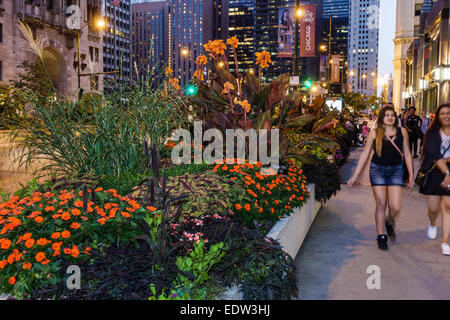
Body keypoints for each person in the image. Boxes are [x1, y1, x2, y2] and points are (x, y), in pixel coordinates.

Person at [348, 106, 414, 250]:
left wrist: (411, 175)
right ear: (382, 118)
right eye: (386, 115)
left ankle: (389, 222)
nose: (390, 117)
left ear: (395, 118)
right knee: (381, 204)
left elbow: (407, 154)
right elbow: (365, 154)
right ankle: (381, 235)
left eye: (392, 115)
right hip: (377, 170)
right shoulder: (374, 132)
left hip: (396, 170)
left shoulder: (402, 132)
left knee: (395, 207)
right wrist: (356, 175)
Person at [419, 102, 450, 256]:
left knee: (448, 207)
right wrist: (447, 174)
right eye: (442, 113)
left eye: (448, 113)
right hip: (436, 173)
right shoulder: (432, 134)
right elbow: (436, 157)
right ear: (438, 116)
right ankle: (433, 223)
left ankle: (445, 242)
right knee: (433, 208)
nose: (446, 116)